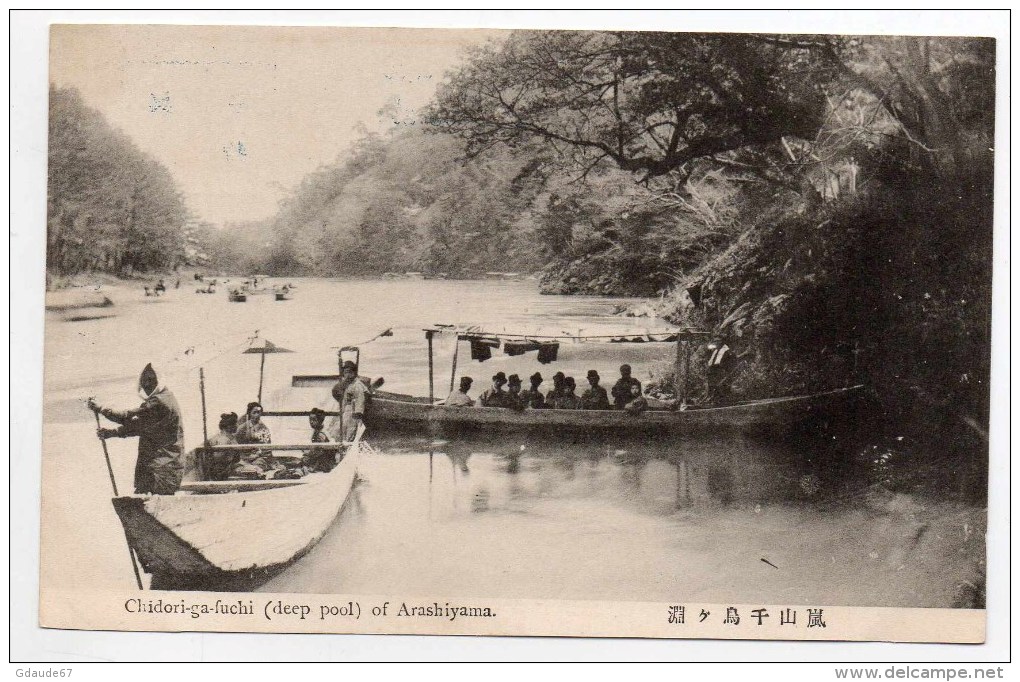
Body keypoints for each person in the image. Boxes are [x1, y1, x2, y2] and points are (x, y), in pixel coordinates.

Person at [88, 363, 185, 495]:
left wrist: (102, 410)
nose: (147, 384)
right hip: (164, 464)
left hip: (163, 467)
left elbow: (130, 419)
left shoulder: (159, 402)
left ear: (159, 381)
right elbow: (139, 425)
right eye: (144, 380)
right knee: (145, 494)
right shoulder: (166, 396)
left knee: (150, 496)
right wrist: (111, 431)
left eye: (151, 380)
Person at [339, 362, 369, 442]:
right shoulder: (348, 385)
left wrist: (358, 414)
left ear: (354, 372)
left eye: (350, 372)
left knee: (351, 432)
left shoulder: (357, 385)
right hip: (346, 412)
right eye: (345, 372)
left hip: (353, 412)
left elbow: (360, 399)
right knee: (343, 430)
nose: (348, 375)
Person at [301, 407, 338, 473]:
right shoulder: (317, 431)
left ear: (320, 421)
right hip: (319, 460)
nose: (311, 422)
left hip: (325, 463)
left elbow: (320, 452)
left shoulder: (321, 434)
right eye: (310, 419)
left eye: (314, 420)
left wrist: (311, 464)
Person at [204, 412, 239, 481]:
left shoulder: (229, 437)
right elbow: (219, 461)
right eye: (235, 424)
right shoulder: (223, 440)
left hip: (230, 466)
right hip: (225, 471)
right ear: (229, 426)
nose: (237, 425)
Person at [706, 336, 739, 405]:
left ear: (721, 342)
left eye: (717, 341)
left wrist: (726, 370)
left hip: (721, 371)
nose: (716, 343)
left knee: (722, 386)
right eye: (715, 342)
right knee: (712, 386)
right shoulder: (715, 351)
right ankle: (714, 400)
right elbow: (712, 361)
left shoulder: (727, 351)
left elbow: (730, 362)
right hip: (713, 371)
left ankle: (723, 401)